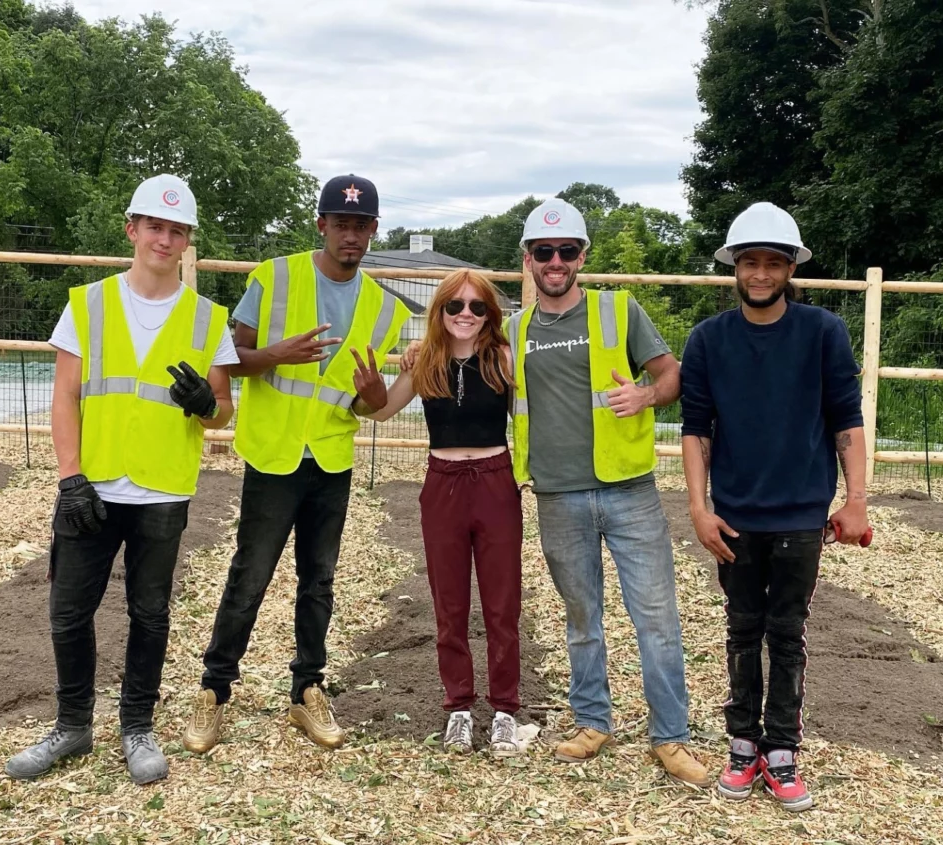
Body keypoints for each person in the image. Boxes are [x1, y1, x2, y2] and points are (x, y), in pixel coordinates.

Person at [5, 174, 237, 785]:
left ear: (187, 242)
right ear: (132, 229)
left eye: (177, 230)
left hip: (162, 487)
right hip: (94, 486)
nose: (164, 239)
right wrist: (69, 477)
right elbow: (65, 397)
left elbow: (224, 409)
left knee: (150, 612)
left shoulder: (208, 317)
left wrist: (204, 404)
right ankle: (72, 726)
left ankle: (137, 727)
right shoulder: (88, 303)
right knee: (67, 612)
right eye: (154, 226)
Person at [182, 174, 411, 753]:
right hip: (274, 452)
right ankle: (213, 692)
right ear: (322, 225)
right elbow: (227, 360)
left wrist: (374, 397)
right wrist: (275, 355)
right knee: (250, 576)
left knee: (320, 583)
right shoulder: (274, 276)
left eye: (361, 226)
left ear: (373, 231)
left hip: (331, 458)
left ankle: (307, 691)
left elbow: (367, 403)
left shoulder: (385, 308)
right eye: (342, 224)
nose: (351, 235)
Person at [505, 198, 709, 787]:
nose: (556, 261)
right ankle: (594, 721)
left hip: (629, 491)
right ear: (528, 259)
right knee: (581, 618)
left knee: (656, 618)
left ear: (582, 257)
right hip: (558, 495)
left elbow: (671, 374)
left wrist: (646, 396)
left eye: (567, 251)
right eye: (544, 252)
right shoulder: (515, 329)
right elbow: (465, 361)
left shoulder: (620, 311)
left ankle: (671, 737)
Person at [680, 202, 869, 812]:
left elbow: (847, 419)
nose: (760, 274)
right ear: (734, 267)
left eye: (773, 263)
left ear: (790, 269)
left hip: (800, 515)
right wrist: (698, 507)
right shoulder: (708, 339)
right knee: (741, 630)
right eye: (750, 262)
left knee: (787, 632)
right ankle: (742, 744)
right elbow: (696, 429)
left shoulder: (823, 332)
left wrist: (856, 501)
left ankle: (782, 750)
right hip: (734, 514)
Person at [354, 269, 523, 757]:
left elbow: (528, 418)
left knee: (502, 603)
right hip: (442, 483)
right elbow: (382, 411)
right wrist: (368, 393)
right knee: (449, 605)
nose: (466, 315)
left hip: (495, 480)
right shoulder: (424, 361)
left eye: (477, 307)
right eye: (455, 306)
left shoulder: (503, 360)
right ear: (440, 312)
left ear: (490, 313)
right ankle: (459, 709)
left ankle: (506, 709)